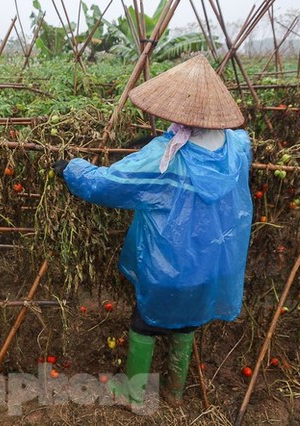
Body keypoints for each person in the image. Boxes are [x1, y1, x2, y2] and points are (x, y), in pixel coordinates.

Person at [53, 55, 253, 407]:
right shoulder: (237, 148)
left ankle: (133, 393)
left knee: (145, 320)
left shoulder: (166, 158)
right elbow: (230, 140)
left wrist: (72, 168)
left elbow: (108, 185)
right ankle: (175, 392)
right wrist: (162, 138)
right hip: (214, 265)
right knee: (188, 322)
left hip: (170, 266)